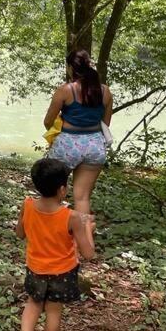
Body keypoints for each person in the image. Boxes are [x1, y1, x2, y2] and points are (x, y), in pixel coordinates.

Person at [13, 158, 96, 331]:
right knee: (53, 312)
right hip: (62, 273)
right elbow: (88, 253)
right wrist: (88, 228)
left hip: (35, 268)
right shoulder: (72, 217)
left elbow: (20, 234)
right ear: (61, 189)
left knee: (33, 303)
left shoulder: (28, 205)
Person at [43, 49, 113, 216]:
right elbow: (106, 123)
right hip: (95, 146)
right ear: (88, 65)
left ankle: (52, 231)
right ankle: (83, 239)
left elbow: (47, 123)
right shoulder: (105, 91)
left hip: (67, 145)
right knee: (82, 198)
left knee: (53, 193)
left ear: (70, 67)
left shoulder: (65, 90)